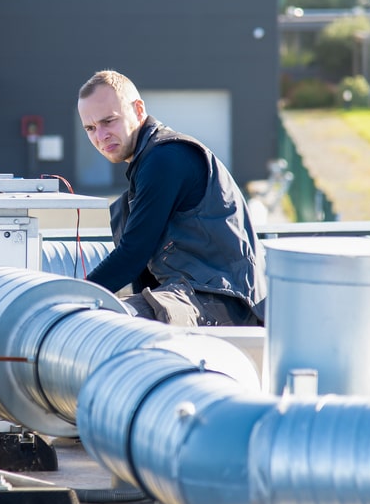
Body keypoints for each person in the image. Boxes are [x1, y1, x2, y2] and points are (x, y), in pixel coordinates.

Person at [77, 69, 266, 326]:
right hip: (195, 294)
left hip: (225, 300)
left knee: (106, 321)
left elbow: (132, 255)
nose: (100, 136)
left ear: (138, 110)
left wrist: (71, 298)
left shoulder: (165, 158)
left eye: (109, 121)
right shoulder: (148, 163)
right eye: (90, 128)